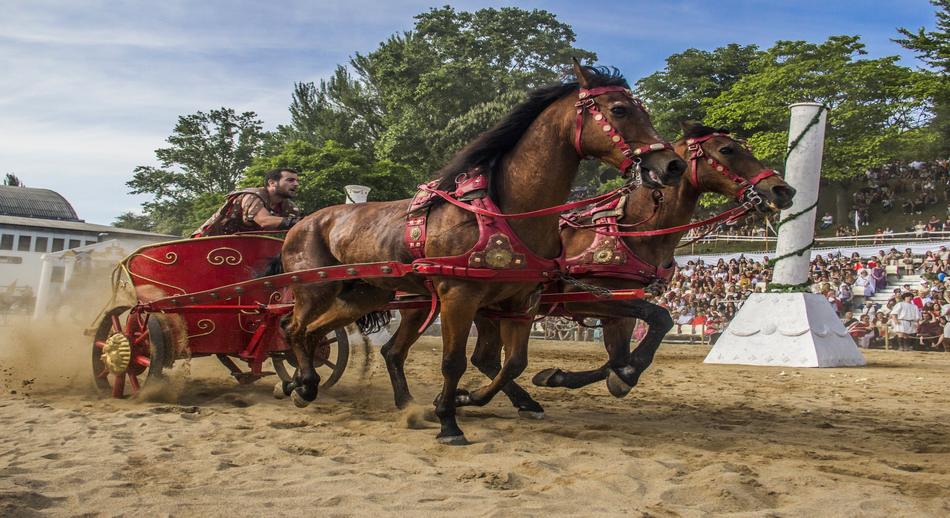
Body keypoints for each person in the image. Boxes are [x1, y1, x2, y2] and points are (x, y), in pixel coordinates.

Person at [192, 168, 301, 237]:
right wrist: (297, 222)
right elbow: (264, 221)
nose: (296, 184)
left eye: (297, 181)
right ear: (272, 183)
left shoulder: (290, 208)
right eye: (290, 180)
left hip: (243, 246)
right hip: (207, 242)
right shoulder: (252, 196)